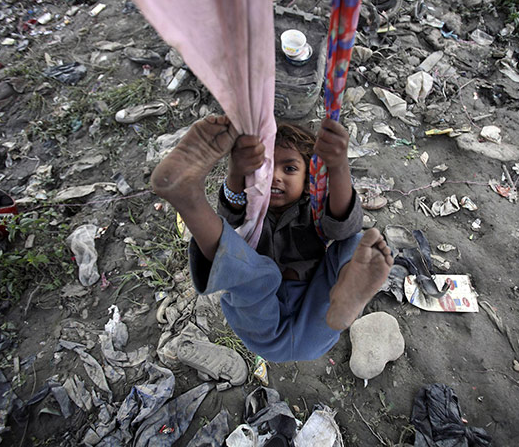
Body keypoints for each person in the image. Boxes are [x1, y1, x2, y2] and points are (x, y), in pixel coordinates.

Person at [151, 115, 393, 362]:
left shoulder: (314, 209)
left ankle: (347, 289)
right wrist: (236, 172)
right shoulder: (252, 207)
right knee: (245, 266)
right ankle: (188, 196)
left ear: (309, 181)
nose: (274, 176)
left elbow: (343, 226)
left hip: (321, 303)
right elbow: (230, 212)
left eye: (289, 168)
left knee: (353, 241)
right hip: (262, 316)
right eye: (264, 168)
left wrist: (339, 166)